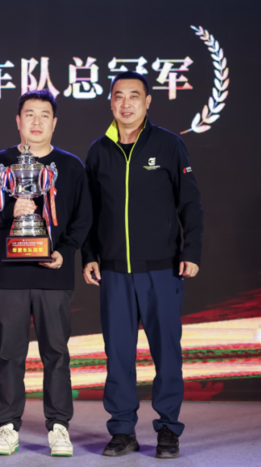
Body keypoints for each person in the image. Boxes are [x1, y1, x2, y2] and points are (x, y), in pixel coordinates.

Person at [81, 72, 203, 459]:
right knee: (118, 355)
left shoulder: (168, 144)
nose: (126, 103)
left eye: (134, 96)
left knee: (167, 354)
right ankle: (122, 430)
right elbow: (88, 214)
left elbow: (190, 203)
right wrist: (89, 256)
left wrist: (192, 251)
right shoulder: (98, 151)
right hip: (114, 272)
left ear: (148, 101)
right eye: (119, 96)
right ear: (110, 102)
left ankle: (168, 430)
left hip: (162, 270)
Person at [0, 89, 92, 457]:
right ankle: (7, 426)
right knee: (10, 354)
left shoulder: (70, 167)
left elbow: (83, 218)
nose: (36, 121)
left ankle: (58, 426)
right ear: (18, 120)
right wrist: (9, 211)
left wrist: (64, 252)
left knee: (56, 353)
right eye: (29, 114)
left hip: (53, 276)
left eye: (44, 115)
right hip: (8, 276)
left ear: (54, 122)